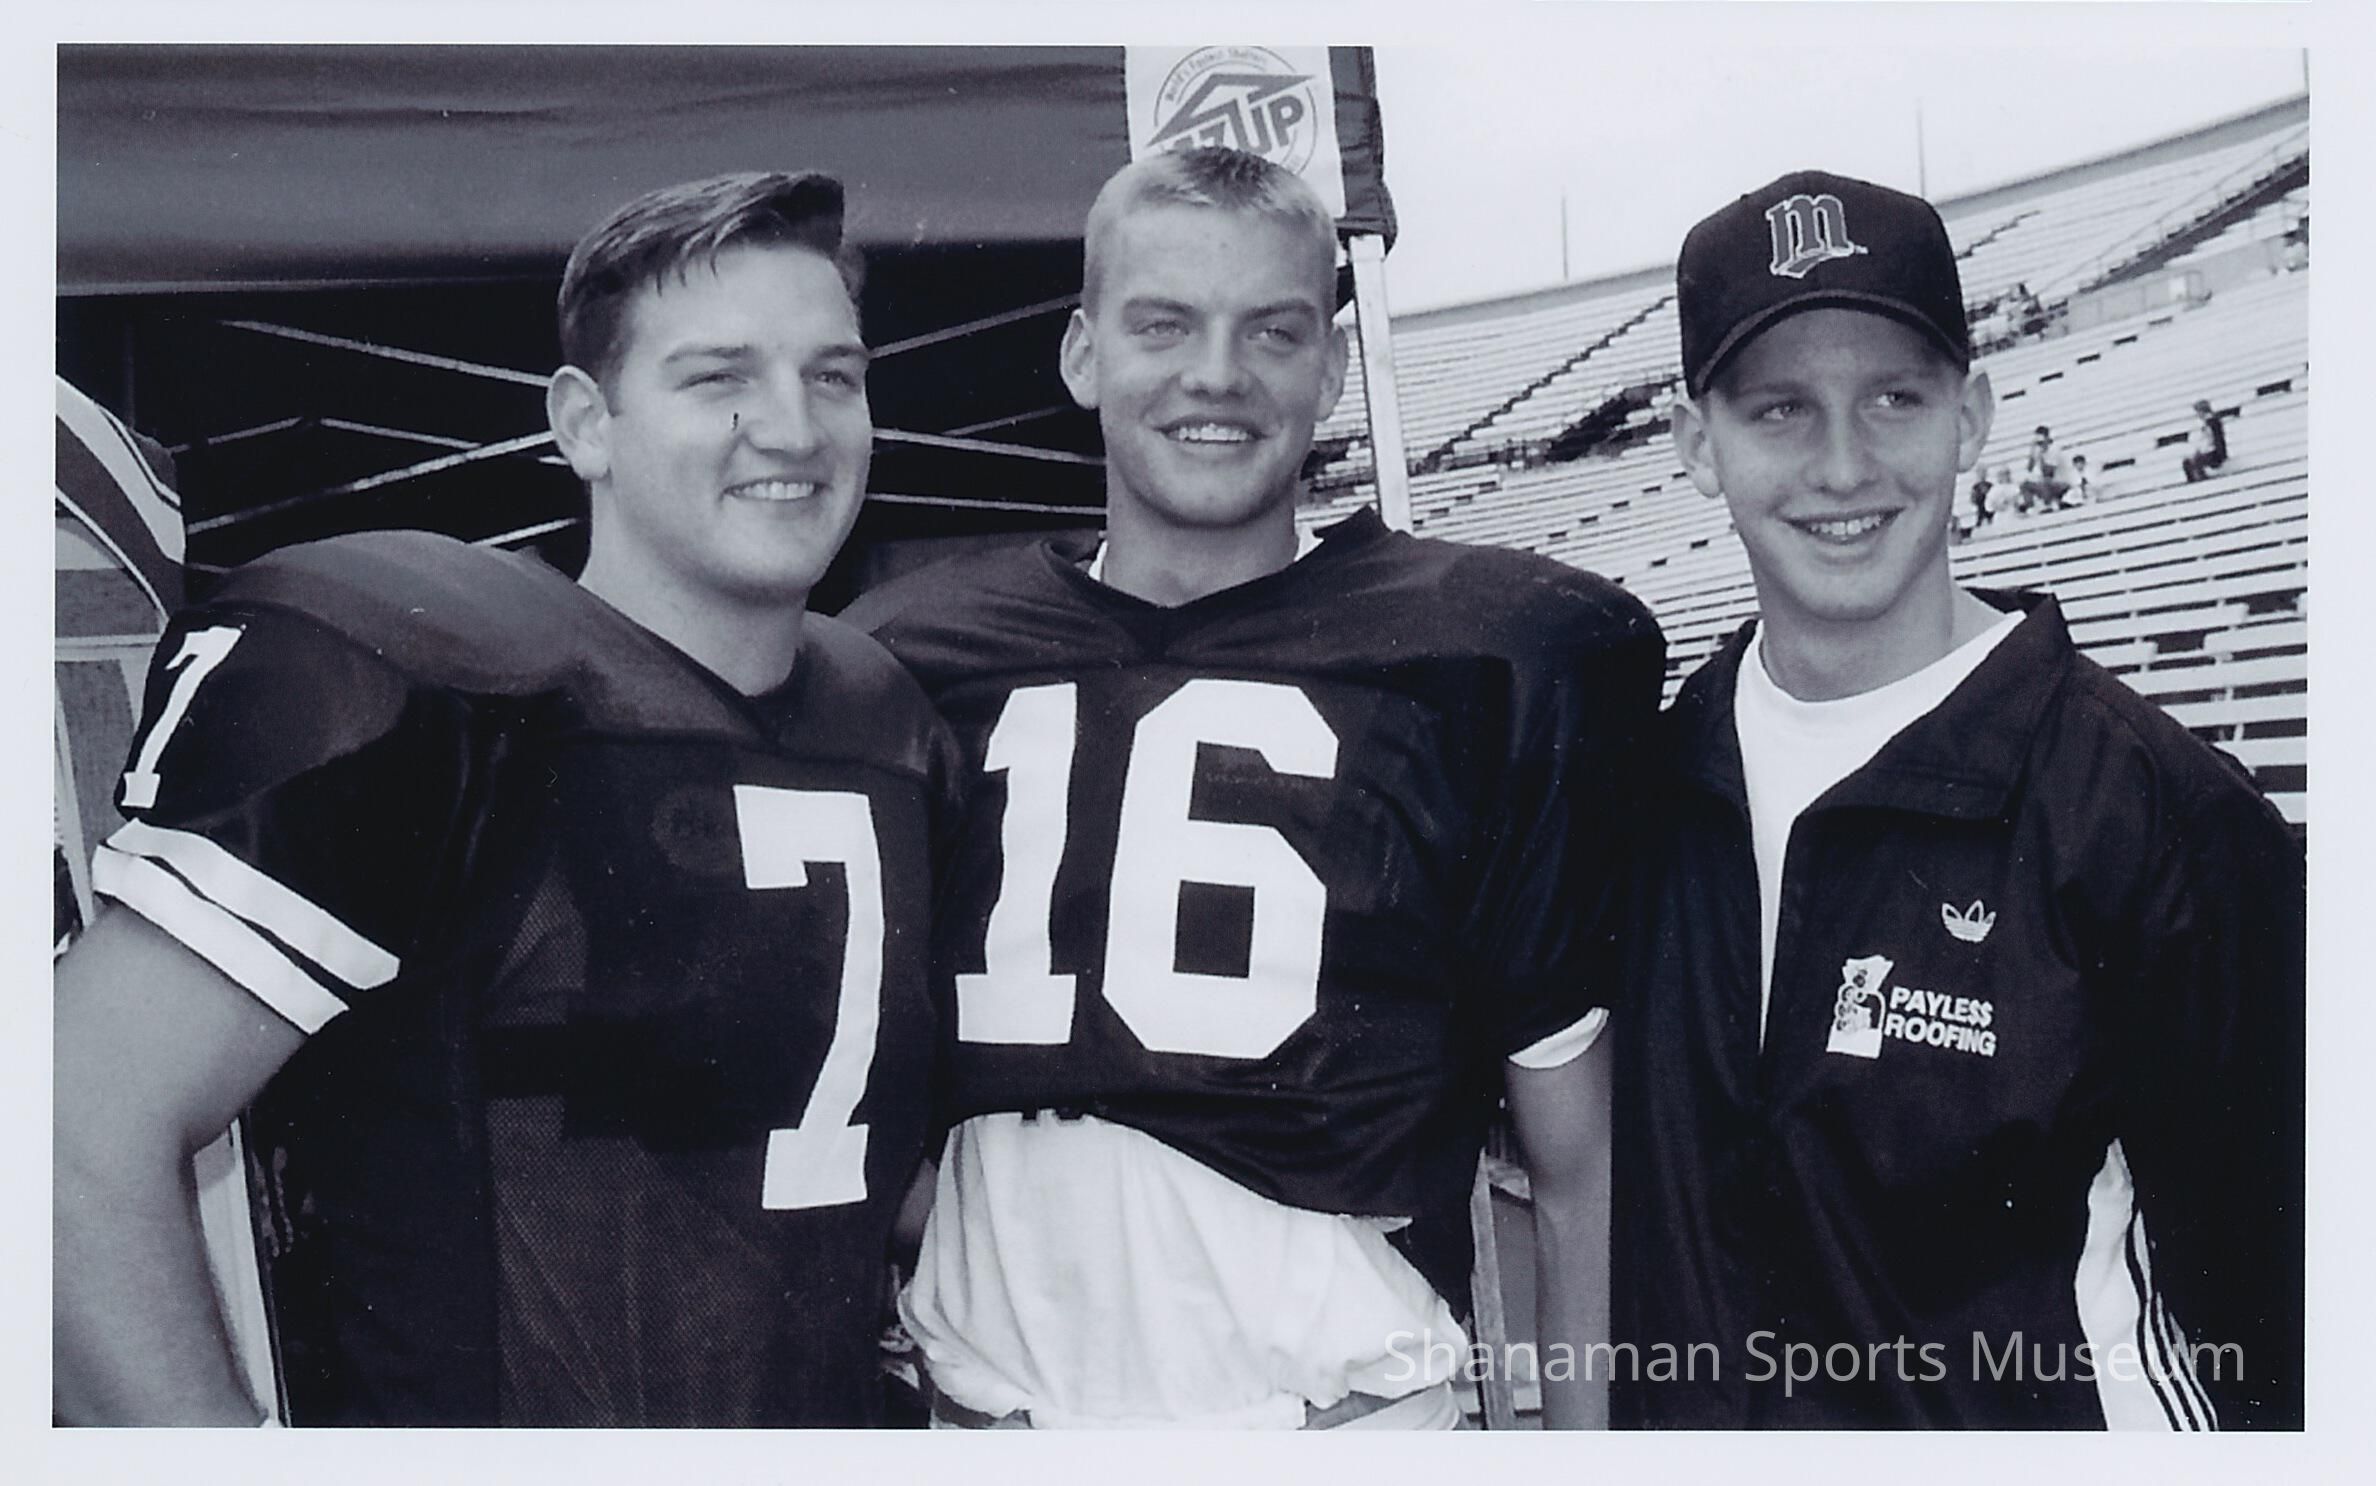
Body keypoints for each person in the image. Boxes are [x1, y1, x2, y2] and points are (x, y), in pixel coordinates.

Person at [54, 171, 958, 1426]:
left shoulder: (886, 716)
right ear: (585, 425)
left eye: (833, 377)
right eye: (719, 378)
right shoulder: (436, 670)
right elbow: (67, 1130)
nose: (792, 428)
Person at [848, 146, 1664, 1430]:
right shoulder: (918, 661)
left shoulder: (1480, 663)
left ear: (1331, 369)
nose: (1216, 374)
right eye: (1163, 324)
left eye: (1271, 331)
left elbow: (1578, 1165)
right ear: (1081, 354)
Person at [1611, 169, 2304, 1429]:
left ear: (1971, 418)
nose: (1843, 465)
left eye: (1895, 397)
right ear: (1697, 443)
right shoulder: (1649, 788)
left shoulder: (2155, 815)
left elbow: (2290, 1295)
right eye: (1780, 408)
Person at [2018, 424, 2068, 512]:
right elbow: (2029, 469)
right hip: (2046, 483)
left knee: (2045, 482)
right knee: (2025, 485)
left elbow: (2048, 473)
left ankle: (2048, 504)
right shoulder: (2038, 450)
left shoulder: (2054, 449)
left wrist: (2041, 457)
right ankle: (2030, 507)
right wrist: (2032, 452)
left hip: (2060, 483)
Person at [2183, 398, 2230, 482]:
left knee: (2197, 461)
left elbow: (2217, 440)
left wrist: (2221, 455)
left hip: (2214, 453)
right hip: (2207, 452)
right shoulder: (2203, 423)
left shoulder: (2212, 422)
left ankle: (2202, 479)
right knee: (2188, 462)